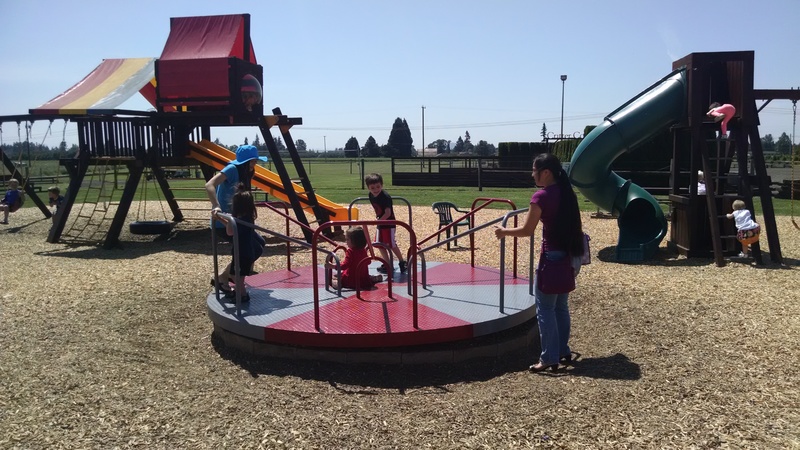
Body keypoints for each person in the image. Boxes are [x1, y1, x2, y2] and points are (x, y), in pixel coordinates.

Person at [494, 153, 585, 373]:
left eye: (534, 170)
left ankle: (549, 358)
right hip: (568, 255)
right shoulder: (567, 193)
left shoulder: (541, 197)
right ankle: (562, 350)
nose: (532, 174)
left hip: (551, 258)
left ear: (546, 172)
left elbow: (527, 230)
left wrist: (504, 231)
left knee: (544, 308)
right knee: (561, 307)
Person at [205, 145, 267, 292]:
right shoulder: (232, 169)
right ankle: (230, 276)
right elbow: (210, 185)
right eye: (252, 161)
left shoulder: (248, 171)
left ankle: (226, 276)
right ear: (245, 162)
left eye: (255, 161)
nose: (254, 164)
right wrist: (216, 206)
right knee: (248, 250)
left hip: (240, 220)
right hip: (226, 222)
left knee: (259, 245)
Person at [214, 183, 264, 302]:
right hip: (243, 252)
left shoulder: (240, 220)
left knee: (237, 277)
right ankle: (238, 293)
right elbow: (234, 229)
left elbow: (230, 232)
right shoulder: (247, 218)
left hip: (243, 253)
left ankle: (242, 296)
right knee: (236, 276)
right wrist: (221, 219)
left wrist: (228, 219)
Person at [365, 173, 407, 274]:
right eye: (372, 188)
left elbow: (388, 213)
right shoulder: (371, 195)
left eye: (378, 187)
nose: (375, 190)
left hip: (389, 223)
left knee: (391, 244)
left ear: (382, 185)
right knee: (380, 245)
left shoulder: (385, 196)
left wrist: (378, 221)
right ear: (368, 188)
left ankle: (402, 262)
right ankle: (388, 264)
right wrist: (378, 220)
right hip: (381, 223)